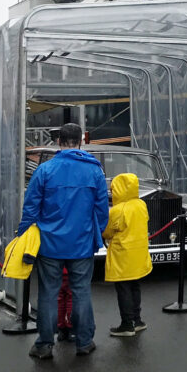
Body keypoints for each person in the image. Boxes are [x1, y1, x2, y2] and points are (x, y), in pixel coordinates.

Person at [19, 122, 109, 359]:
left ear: (59, 142)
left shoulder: (45, 170)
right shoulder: (94, 170)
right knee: (81, 292)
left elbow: (30, 208)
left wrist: (23, 237)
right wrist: (95, 234)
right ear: (80, 141)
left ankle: (44, 344)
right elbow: (102, 210)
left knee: (49, 292)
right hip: (81, 243)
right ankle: (84, 341)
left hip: (49, 243)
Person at [102, 172, 152, 336]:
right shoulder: (141, 205)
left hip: (122, 255)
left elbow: (107, 232)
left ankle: (126, 324)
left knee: (123, 289)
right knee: (135, 286)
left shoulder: (117, 210)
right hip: (138, 254)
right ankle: (137, 320)